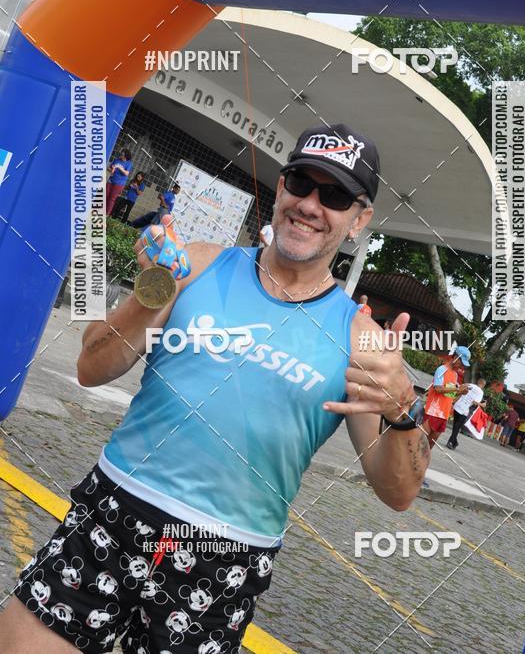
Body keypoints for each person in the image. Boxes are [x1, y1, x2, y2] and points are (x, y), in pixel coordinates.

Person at [1, 123, 431, 653]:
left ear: (359, 220)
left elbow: (399, 493)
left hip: (225, 558)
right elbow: (92, 367)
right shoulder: (198, 263)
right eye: (300, 183)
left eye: (335, 195)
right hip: (114, 512)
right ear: (281, 188)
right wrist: (153, 287)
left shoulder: (363, 341)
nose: (310, 205)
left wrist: (403, 412)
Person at [422, 345, 471, 450]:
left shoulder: (455, 375)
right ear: (455, 357)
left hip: (444, 415)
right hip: (432, 412)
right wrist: (457, 389)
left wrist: (461, 393)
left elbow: (450, 396)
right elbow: (438, 389)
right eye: (461, 363)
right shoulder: (441, 369)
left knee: (429, 447)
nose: (462, 366)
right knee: (421, 444)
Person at [447, 377, 486, 449]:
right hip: (465, 410)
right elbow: (475, 402)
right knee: (457, 426)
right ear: (483, 385)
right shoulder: (480, 392)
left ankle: (453, 441)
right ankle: (451, 442)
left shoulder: (470, 385)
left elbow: (460, 388)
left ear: (478, 382)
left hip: (457, 406)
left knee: (455, 424)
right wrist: (482, 404)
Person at [105, 147, 132, 216]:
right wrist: (111, 169)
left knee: (111, 199)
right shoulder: (117, 160)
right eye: (121, 154)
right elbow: (109, 167)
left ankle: (106, 214)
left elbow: (126, 173)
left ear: (126, 156)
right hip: (111, 180)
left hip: (119, 184)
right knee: (105, 196)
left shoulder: (128, 163)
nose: (121, 155)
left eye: (123, 155)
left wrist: (119, 168)